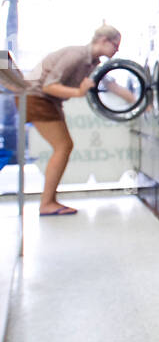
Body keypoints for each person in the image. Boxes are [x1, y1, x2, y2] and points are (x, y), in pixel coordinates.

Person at [25, 24, 124, 217]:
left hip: (45, 101)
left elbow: (113, 87)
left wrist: (144, 102)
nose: (117, 50)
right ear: (103, 41)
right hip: (36, 98)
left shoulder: (93, 64)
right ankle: (47, 203)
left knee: (63, 147)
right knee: (63, 147)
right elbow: (49, 86)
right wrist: (78, 92)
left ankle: (49, 201)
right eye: (116, 45)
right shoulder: (77, 55)